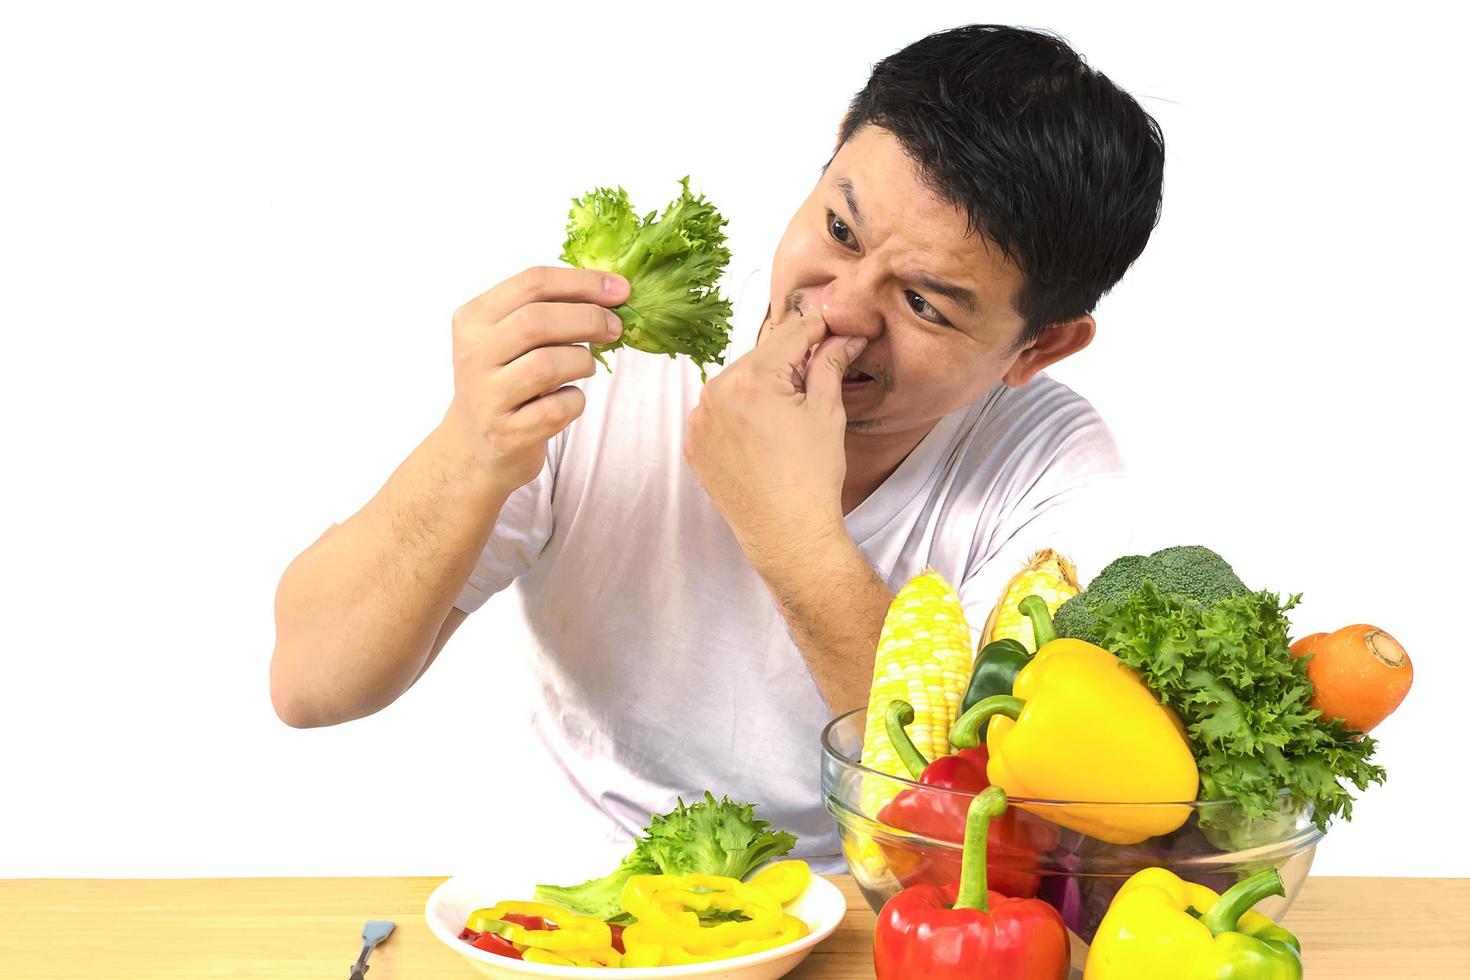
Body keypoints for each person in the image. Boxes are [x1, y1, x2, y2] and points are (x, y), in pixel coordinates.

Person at [269, 24, 1165, 869]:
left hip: (869, 912)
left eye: (925, 303)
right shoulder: (620, 357)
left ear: (1038, 347)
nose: (841, 309)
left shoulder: (1055, 474)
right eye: (840, 231)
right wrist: (471, 450)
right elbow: (312, 685)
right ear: (837, 142)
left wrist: (793, 535)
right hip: (572, 889)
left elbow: (995, 841)